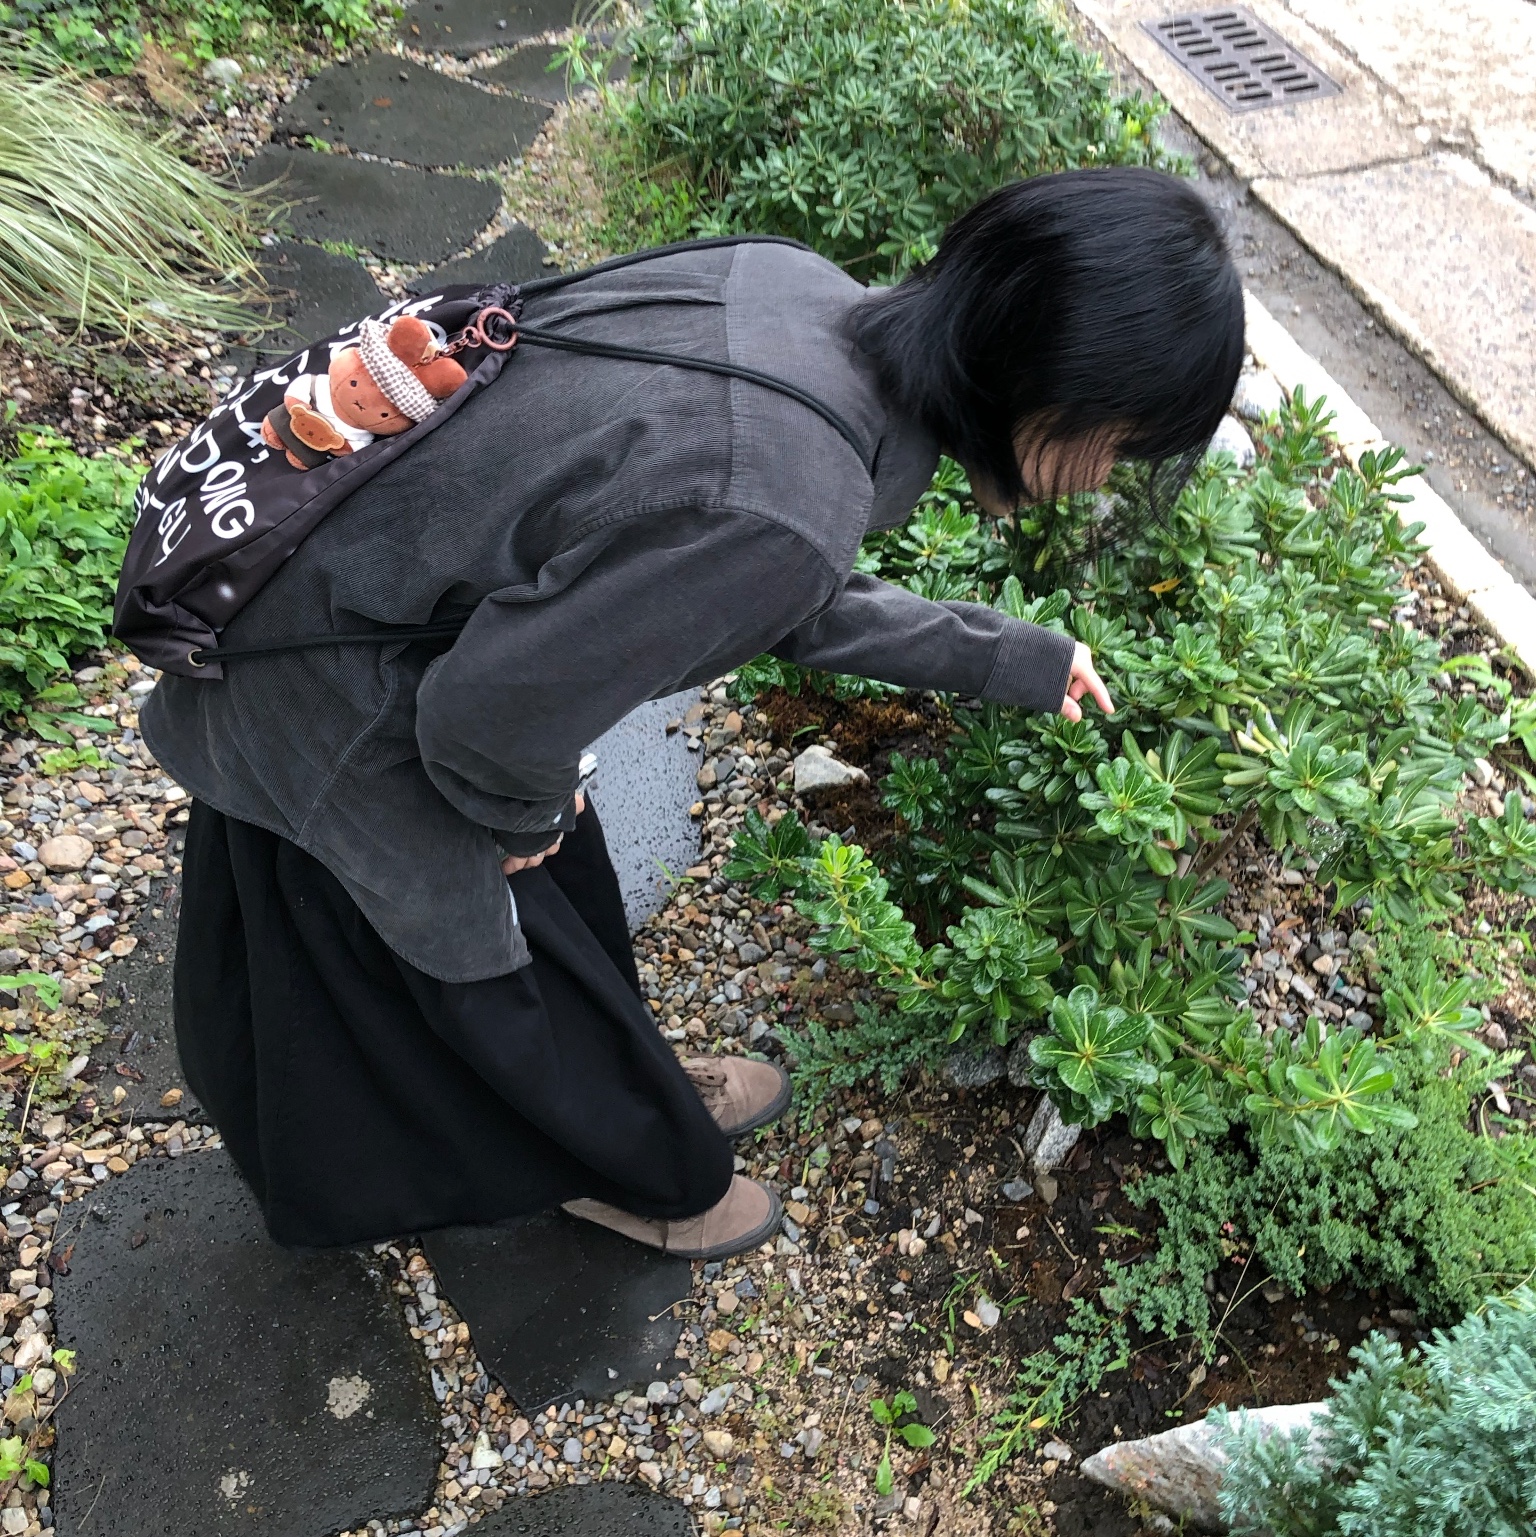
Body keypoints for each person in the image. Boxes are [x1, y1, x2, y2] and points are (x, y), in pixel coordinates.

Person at [142, 166, 1243, 1258]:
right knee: (490, 959)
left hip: (363, 598)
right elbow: (482, 722)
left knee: (557, 874)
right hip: (330, 693)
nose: (1103, 479)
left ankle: (634, 1093)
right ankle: (626, 1172)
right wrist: (523, 817)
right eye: (1120, 446)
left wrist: (1008, 657)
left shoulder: (800, 292)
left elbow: (770, 580)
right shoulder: (786, 496)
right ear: (1055, 386)